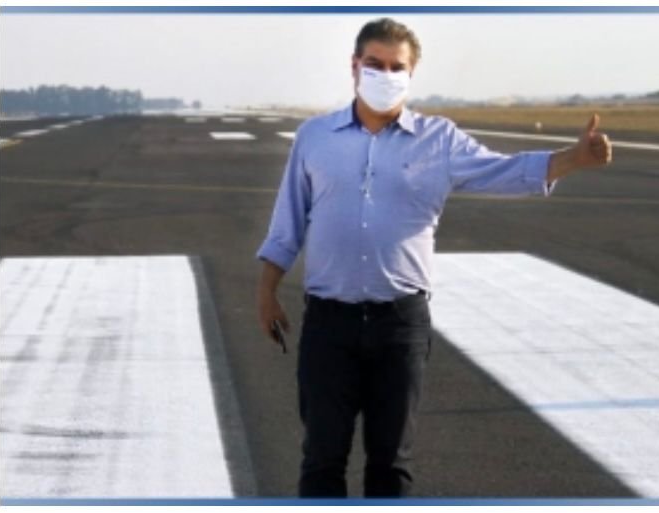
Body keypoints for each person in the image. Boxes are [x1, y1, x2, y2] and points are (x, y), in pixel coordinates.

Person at [255, 17, 611, 498]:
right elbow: (288, 223)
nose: (385, 74)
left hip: (399, 325)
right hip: (328, 324)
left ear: (411, 73)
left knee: (391, 465)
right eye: (375, 64)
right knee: (321, 460)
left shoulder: (439, 140)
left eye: (396, 67)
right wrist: (267, 291)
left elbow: (504, 171)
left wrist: (574, 159)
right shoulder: (315, 137)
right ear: (354, 66)